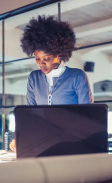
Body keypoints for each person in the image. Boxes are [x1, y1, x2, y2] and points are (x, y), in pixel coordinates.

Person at [9, 15, 93, 152]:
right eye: (37, 58)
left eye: (46, 58)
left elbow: (89, 116)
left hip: (72, 143)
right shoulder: (33, 78)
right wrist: (20, 137)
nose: (40, 63)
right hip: (42, 143)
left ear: (59, 54)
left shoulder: (77, 76)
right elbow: (30, 116)